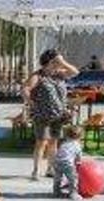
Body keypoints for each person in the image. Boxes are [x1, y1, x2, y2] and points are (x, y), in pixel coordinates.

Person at [23, 49, 79, 181]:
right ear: (50, 61)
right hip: (42, 115)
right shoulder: (38, 75)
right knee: (41, 142)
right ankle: (36, 170)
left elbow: (75, 72)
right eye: (56, 61)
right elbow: (25, 89)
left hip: (58, 115)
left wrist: (62, 62)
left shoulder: (59, 74)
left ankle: (50, 169)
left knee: (54, 142)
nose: (59, 63)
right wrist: (30, 102)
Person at [52, 126, 83, 199]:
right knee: (73, 178)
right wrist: (79, 163)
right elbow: (78, 157)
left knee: (58, 178)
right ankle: (73, 193)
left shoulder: (63, 143)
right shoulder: (77, 145)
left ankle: (56, 192)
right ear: (80, 137)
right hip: (67, 163)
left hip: (57, 162)